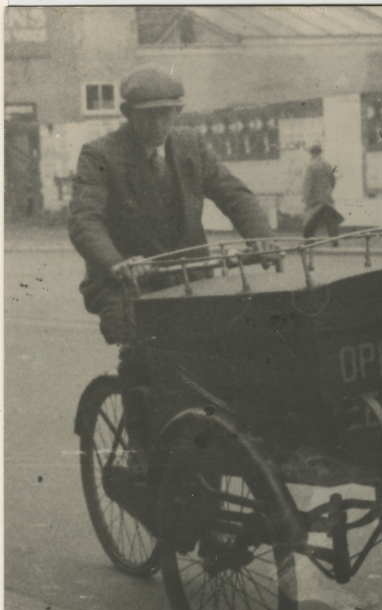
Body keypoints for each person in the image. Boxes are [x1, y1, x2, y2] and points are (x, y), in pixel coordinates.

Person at [69, 66, 273, 469]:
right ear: (128, 113)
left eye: (168, 113)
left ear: (178, 113)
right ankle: (142, 453)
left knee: (219, 352)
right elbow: (84, 221)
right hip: (124, 283)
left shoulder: (192, 146)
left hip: (187, 278)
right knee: (141, 355)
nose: (160, 123)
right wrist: (116, 263)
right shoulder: (100, 155)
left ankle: (208, 445)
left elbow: (234, 194)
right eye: (149, 115)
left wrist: (260, 237)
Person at [302, 144, 344, 246]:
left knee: (310, 222)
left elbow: (308, 185)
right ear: (320, 152)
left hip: (315, 201)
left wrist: (306, 200)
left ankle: (309, 242)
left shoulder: (311, 166)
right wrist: (328, 191)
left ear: (312, 153)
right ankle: (335, 242)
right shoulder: (328, 165)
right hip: (327, 199)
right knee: (331, 222)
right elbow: (333, 181)